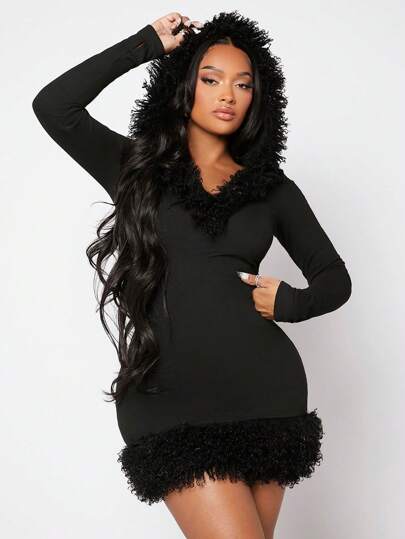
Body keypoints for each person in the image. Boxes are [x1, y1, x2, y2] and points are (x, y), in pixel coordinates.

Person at [32, 10, 352, 538]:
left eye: (243, 84)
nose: (228, 95)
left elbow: (334, 278)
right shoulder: (135, 168)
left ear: (258, 98)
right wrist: (147, 44)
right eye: (211, 79)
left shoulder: (272, 189)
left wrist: (292, 302)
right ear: (184, 86)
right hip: (169, 396)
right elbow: (54, 106)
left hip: (265, 394)